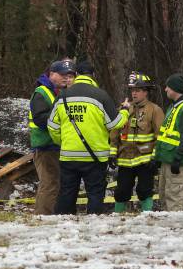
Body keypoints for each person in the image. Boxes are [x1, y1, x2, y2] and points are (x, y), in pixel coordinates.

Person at [47, 61, 129, 214]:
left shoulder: (62, 96)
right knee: (95, 194)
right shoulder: (100, 95)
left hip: (69, 156)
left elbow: (52, 126)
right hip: (95, 157)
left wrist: (63, 142)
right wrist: (124, 110)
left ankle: (63, 227)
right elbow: (116, 124)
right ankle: (94, 225)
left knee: (67, 193)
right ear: (93, 76)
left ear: (76, 75)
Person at [110, 72, 164, 212]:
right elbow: (114, 132)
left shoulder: (154, 110)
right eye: (132, 90)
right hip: (125, 159)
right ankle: (118, 216)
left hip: (145, 160)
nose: (134, 94)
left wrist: (155, 157)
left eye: (138, 90)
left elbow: (161, 136)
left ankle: (148, 216)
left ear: (146, 92)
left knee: (145, 190)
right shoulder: (124, 109)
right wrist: (112, 153)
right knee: (121, 191)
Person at [28, 59, 76, 215]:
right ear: (51, 74)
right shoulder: (41, 92)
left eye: (69, 75)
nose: (65, 78)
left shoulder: (58, 92)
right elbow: (40, 119)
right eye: (62, 74)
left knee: (55, 183)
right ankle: (43, 216)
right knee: (49, 183)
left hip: (55, 145)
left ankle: (51, 215)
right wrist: (60, 115)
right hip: (45, 146)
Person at [154, 73, 183, 211]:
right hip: (168, 161)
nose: (165, 89)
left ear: (175, 88)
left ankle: (178, 230)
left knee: (175, 201)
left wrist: (178, 159)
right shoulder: (174, 107)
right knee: (164, 197)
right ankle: (168, 232)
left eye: (168, 86)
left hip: (177, 163)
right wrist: (159, 158)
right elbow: (166, 136)